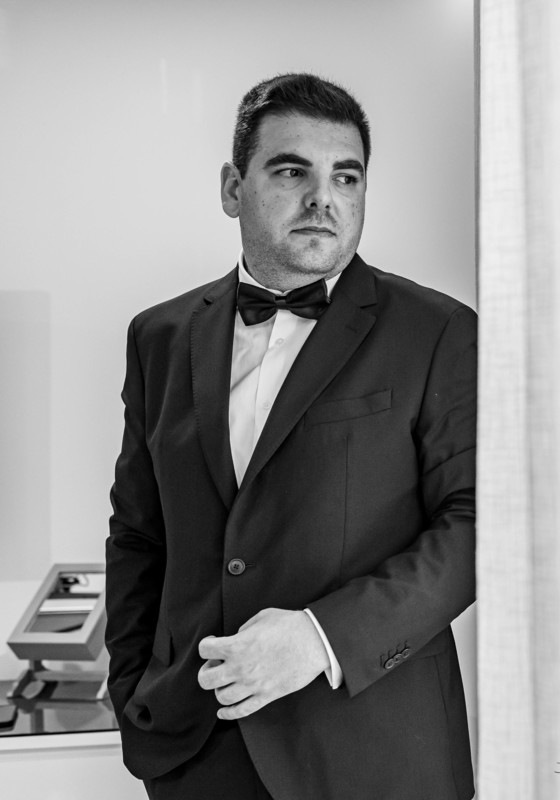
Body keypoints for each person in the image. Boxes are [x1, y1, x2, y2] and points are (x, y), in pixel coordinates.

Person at [105, 73, 476, 800]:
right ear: (232, 188)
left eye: (346, 176)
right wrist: (134, 694)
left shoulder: (439, 331)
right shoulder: (159, 337)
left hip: (378, 755)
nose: (323, 199)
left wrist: (320, 637)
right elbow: (139, 535)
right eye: (291, 171)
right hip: (196, 753)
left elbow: (479, 527)